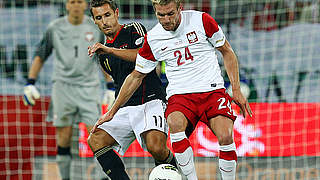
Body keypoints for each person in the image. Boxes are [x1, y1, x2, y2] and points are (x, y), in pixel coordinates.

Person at [92, 0, 253, 179]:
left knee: (225, 136)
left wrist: (236, 89)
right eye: (161, 15)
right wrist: (112, 111)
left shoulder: (202, 20)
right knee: (175, 125)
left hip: (211, 90)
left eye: (170, 14)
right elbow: (135, 76)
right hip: (180, 95)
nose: (167, 19)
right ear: (155, 12)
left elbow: (227, 51)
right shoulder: (153, 38)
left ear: (179, 8)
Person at [87, 0, 177, 179]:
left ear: (116, 14)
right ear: (94, 21)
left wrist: (110, 50)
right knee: (95, 139)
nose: (105, 21)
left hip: (150, 100)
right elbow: (118, 81)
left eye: (107, 15)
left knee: (156, 147)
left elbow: (143, 56)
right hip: (125, 107)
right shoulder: (102, 55)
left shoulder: (133, 29)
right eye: (99, 18)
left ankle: (175, 173)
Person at [22, 0, 107, 179]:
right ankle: (65, 177)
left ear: (85, 5)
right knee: (64, 136)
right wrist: (30, 82)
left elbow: (103, 56)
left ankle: (101, 177)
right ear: (67, 5)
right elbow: (40, 55)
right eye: (72, 1)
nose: (76, 5)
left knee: (97, 134)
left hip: (89, 87)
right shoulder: (55, 27)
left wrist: (110, 86)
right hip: (62, 88)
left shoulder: (95, 27)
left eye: (80, 1)